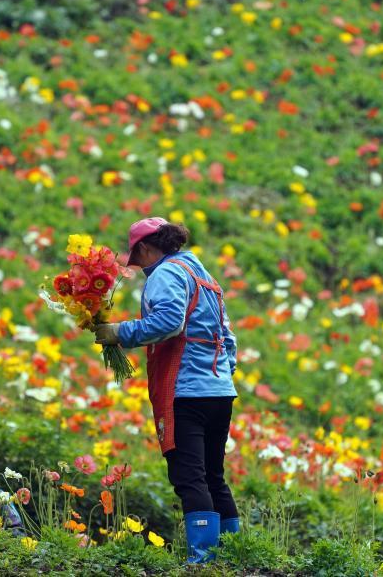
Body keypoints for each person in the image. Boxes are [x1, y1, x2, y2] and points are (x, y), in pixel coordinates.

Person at [94, 217, 239, 563]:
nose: (138, 267)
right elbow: (228, 338)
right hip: (220, 391)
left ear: (145, 248)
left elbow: (169, 322)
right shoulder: (204, 276)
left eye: (137, 258)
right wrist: (219, 376)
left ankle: (203, 560)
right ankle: (234, 557)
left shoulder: (166, 274)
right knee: (213, 475)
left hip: (186, 392)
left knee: (190, 477)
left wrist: (118, 333)